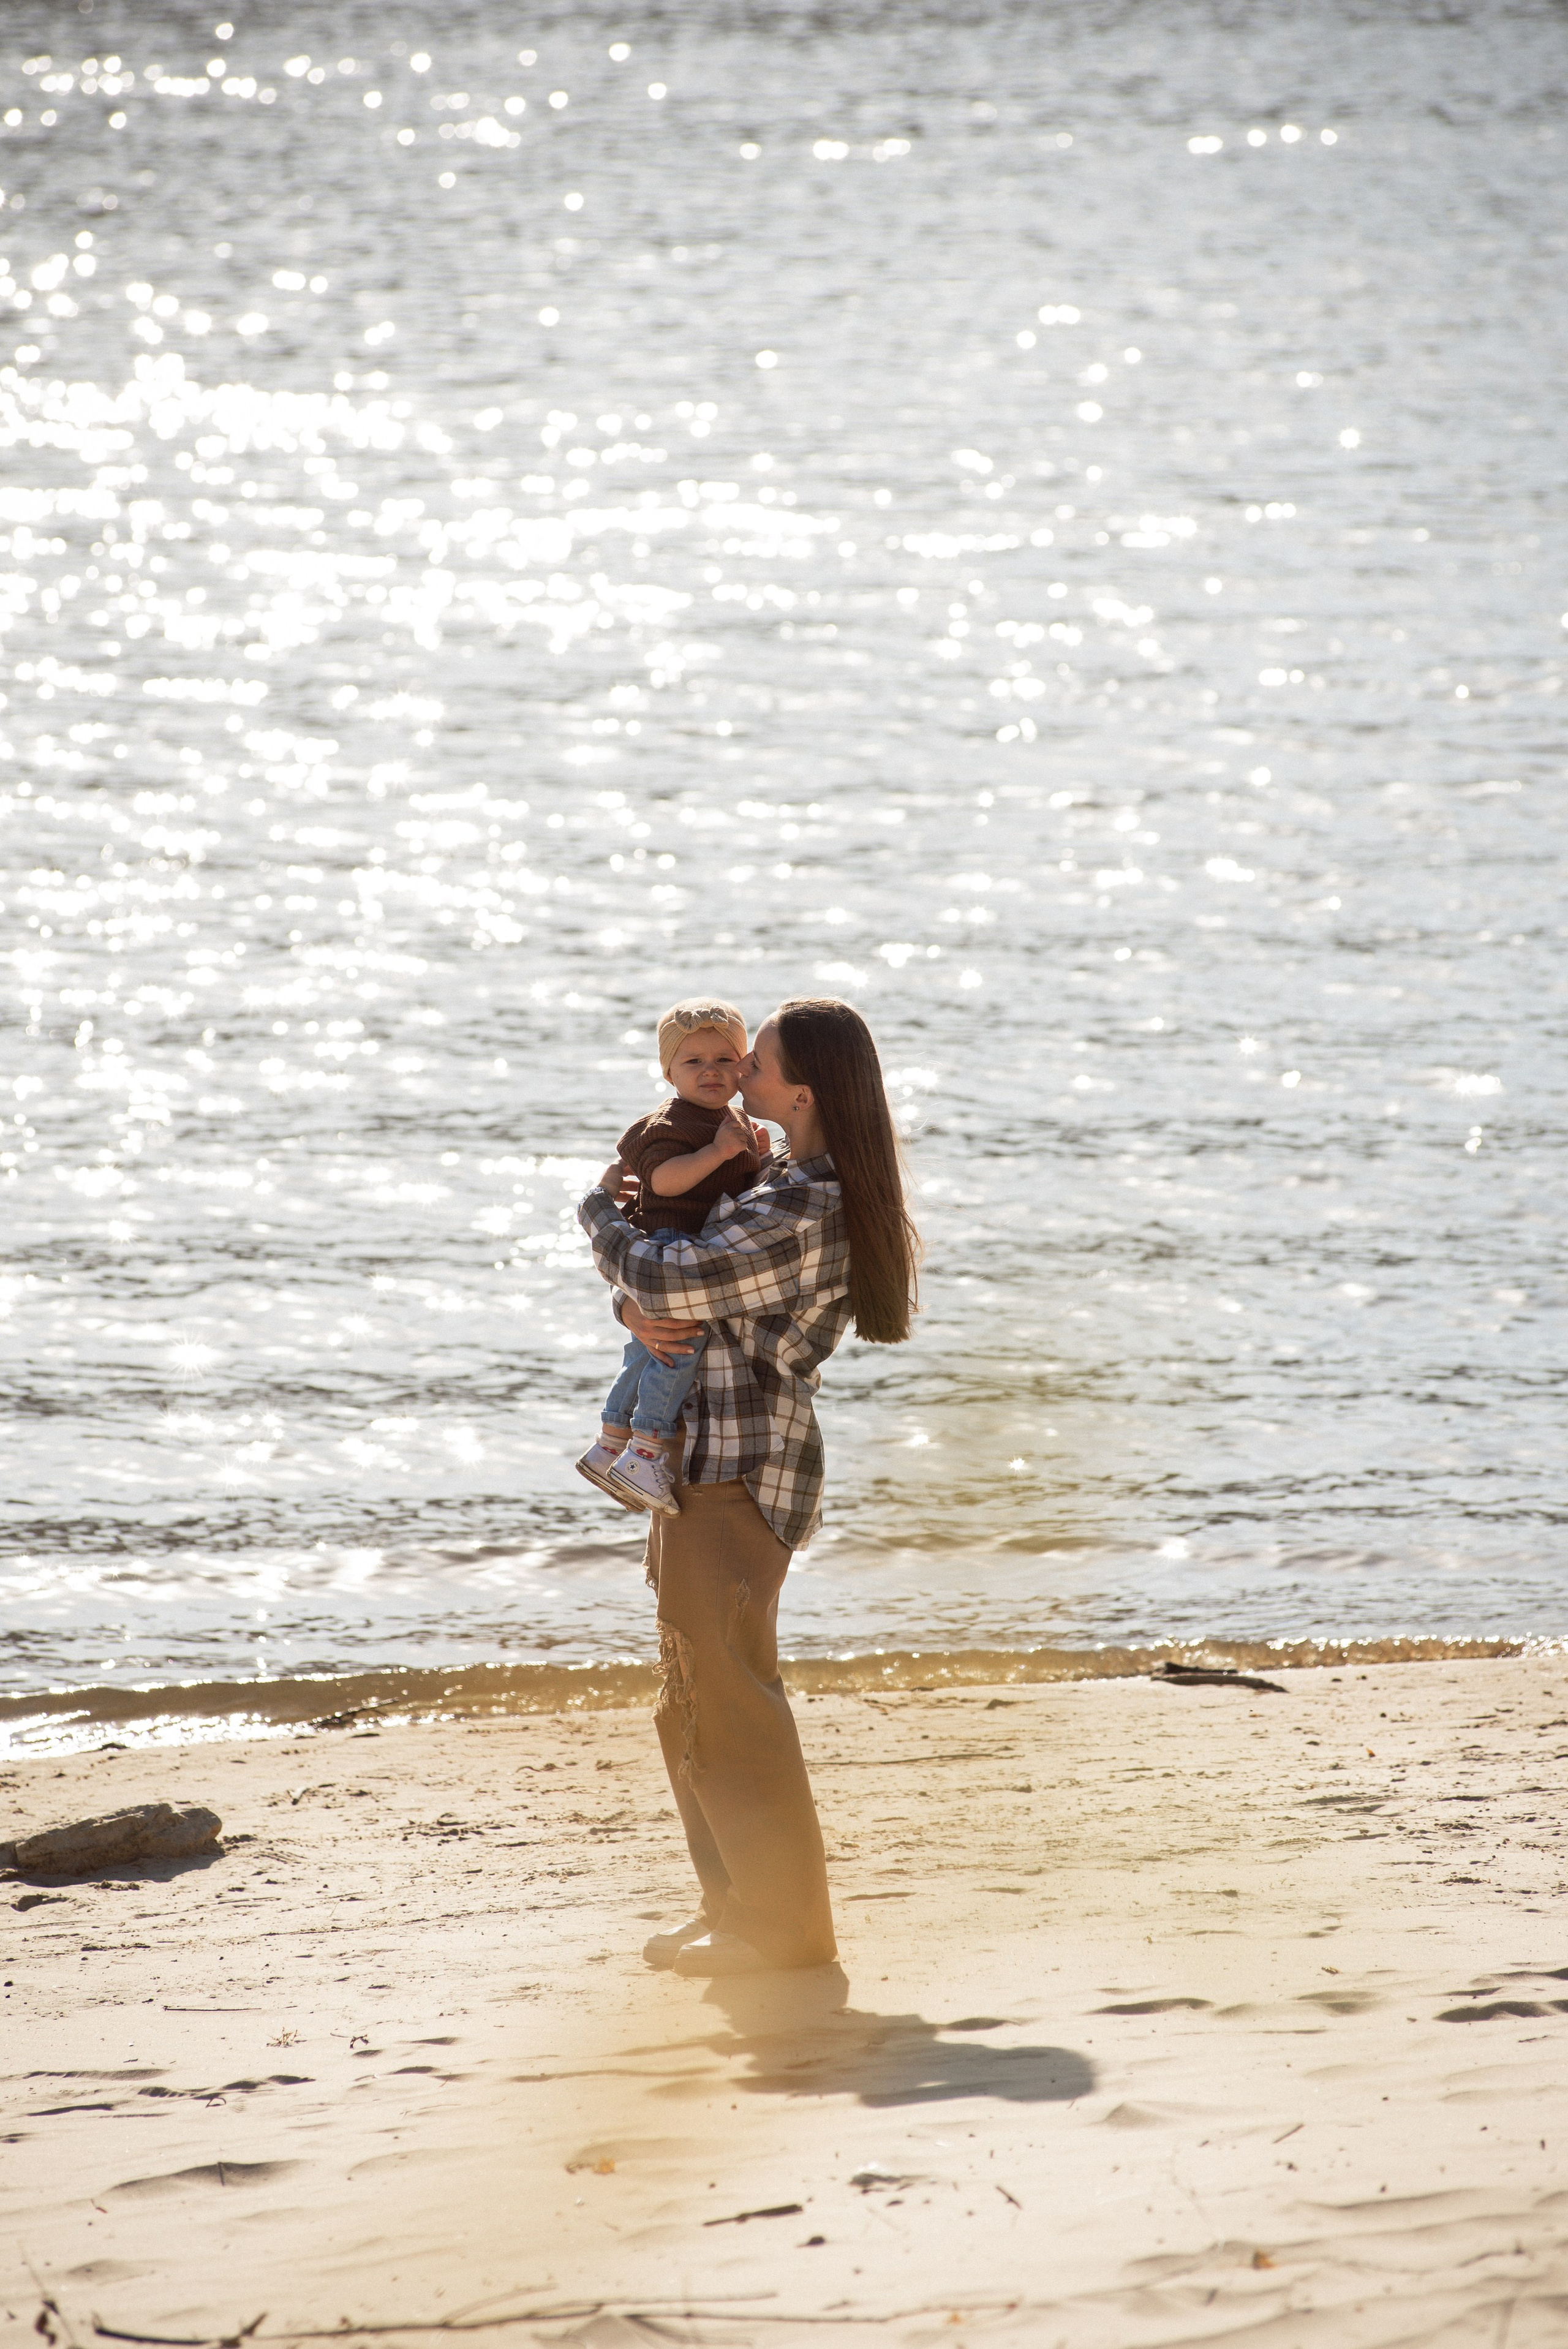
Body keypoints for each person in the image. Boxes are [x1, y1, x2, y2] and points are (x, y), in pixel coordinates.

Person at [577, 997, 919, 1975]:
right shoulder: (768, 1178)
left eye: (755, 1064)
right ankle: (731, 1906)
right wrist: (634, 1301)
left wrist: (598, 1211)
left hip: (739, 1468)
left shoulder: (805, 1201)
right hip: (697, 1466)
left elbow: (674, 1277)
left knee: (733, 1704)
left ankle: (784, 1931)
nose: (734, 1075)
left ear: (800, 1092)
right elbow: (673, 1280)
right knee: (689, 1701)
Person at [576, 998, 765, 1518]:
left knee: (645, 1347)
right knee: (679, 1343)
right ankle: (646, 1449)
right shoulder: (668, 1123)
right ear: (668, 1072)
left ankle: (610, 1439)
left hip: (686, 1245)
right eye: (693, 1062)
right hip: (667, 1241)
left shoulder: (734, 1122)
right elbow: (662, 1180)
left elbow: (740, 1187)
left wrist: (757, 1157)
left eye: (725, 1060)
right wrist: (718, 1153)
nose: (710, 1071)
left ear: (744, 1064)